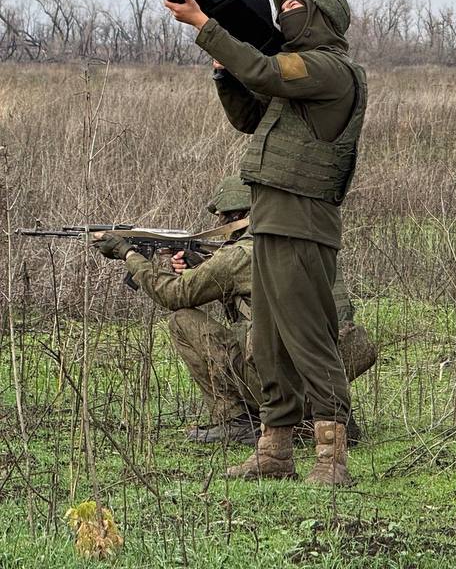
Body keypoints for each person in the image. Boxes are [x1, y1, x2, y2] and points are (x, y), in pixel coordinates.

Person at [164, 0, 366, 486]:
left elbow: (265, 70)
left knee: (308, 336)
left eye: (295, 6)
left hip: (303, 221)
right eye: (281, 7)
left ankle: (330, 456)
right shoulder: (300, 78)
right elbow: (251, 116)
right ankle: (274, 450)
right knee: (270, 338)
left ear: (322, 16)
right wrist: (224, 75)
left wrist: (208, 27)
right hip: (273, 215)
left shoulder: (328, 69)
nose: (284, 15)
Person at [94, 177, 379, 447]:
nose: (218, 222)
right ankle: (323, 419)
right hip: (328, 385)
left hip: (283, 389)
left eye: (221, 217)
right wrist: (203, 266)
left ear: (235, 216)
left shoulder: (240, 255)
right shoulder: (306, 242)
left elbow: (173, 295)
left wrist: (129, 255)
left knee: (182, 321)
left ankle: (235, 421)